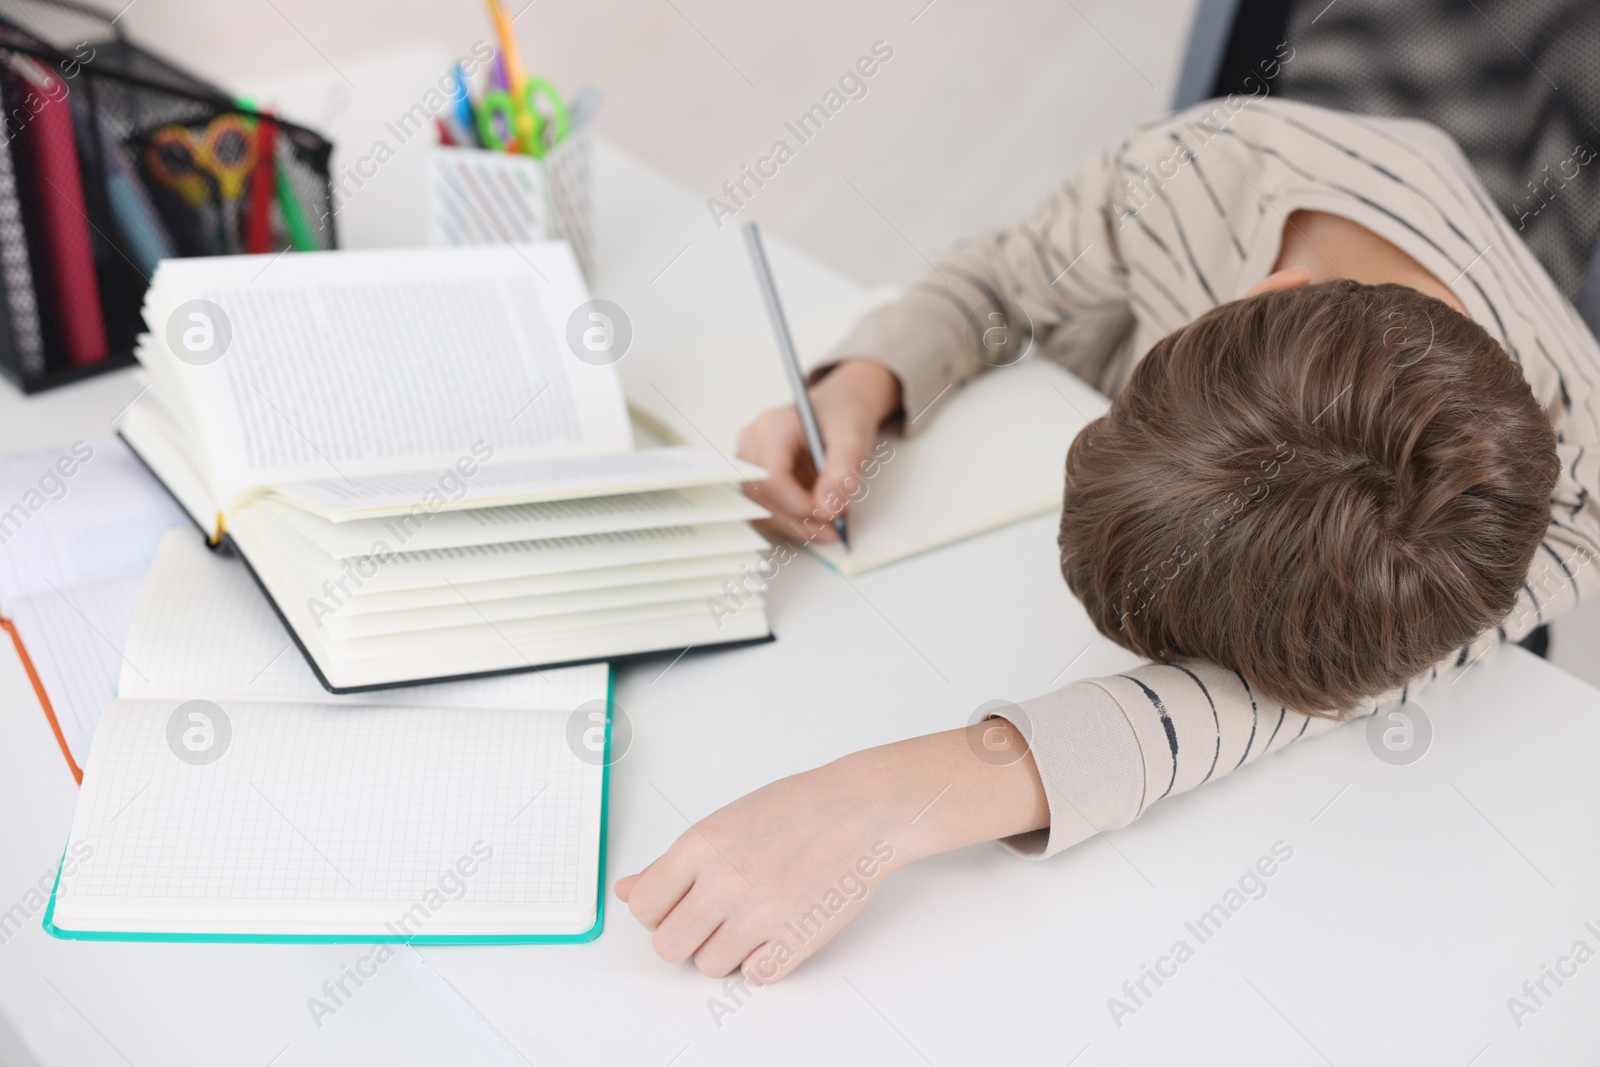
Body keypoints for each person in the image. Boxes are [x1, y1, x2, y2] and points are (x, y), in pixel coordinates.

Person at [614, 96, 1600, 984]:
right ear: (1261, 291)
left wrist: (898, 796)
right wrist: (864, 378)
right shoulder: (1202, 174)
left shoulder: (1572, 502)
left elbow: (1301, 699)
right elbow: (1004, 277)